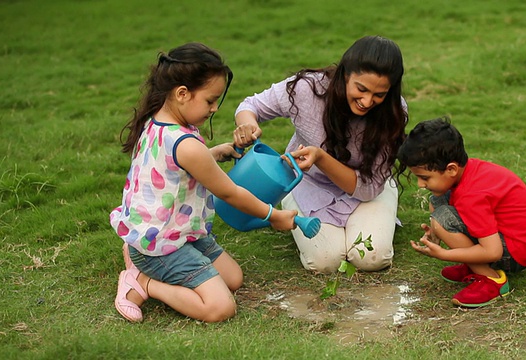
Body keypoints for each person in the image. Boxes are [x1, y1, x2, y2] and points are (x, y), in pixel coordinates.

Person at [110, 42, 296, 323]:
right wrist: (273, 215)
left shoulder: (159, 121)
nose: (214, 109)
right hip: (160, 244)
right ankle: (143, 282)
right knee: (221, 307)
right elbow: (230, 192)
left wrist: (213, 153)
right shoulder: (186, 144)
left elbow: (170, 168)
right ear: (182, 94)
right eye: (210, 100)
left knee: (233, 278)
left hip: (175, 232)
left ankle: (136, 252)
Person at [233, 35, 407, 274]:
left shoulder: (393, 112)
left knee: (370, 258)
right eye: (361, 89)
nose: (367, 101)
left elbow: (367, 189)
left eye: (379, 94)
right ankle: (298, 207)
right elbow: (250, 106)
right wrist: (247, 126)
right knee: (326, 262)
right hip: (308, 183)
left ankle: (383, 211)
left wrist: (322, 159)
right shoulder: (307, 89)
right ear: (345, 74)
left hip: (366, 188)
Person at [397, 116, 526, 308]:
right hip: (507, 238)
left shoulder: (472, 195)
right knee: (438, 201)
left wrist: (444, 254)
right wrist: (435, 231)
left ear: (451, 169)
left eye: (424, 177)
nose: (420, 184)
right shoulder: (469, 171)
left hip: (516, 253)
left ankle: (492, 280)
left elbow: (493, 251)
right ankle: (472, 264)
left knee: (442, 218)